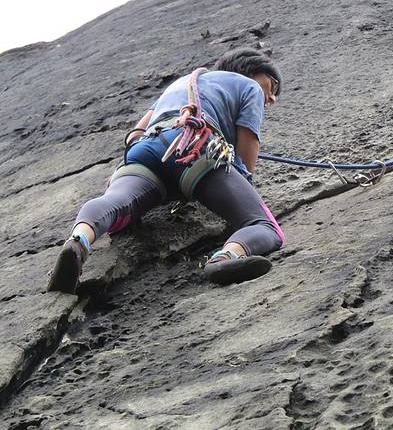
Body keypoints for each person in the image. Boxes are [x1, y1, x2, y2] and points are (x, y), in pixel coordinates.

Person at [47, 48, 286, 294]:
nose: (273, 98)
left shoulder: (179, 84)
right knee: (264, 226)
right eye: (274, 86)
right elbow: (247, 155)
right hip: (195, 149)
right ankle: (224, 260)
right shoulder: (249, 86)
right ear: (252, 70)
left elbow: (135, 134)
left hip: (147, 149)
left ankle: (78, 240)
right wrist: (240, 186)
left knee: (115, 201)